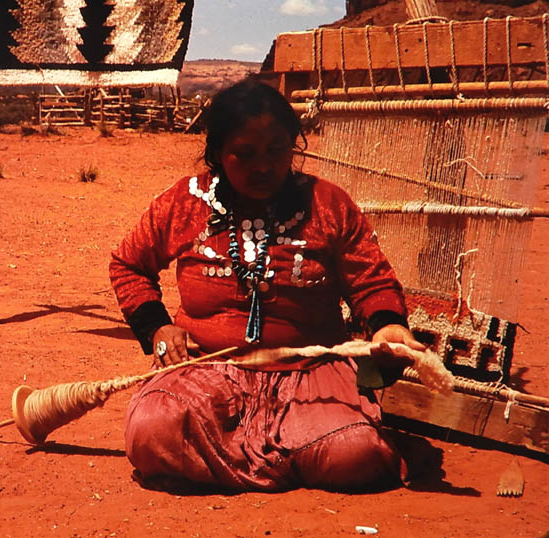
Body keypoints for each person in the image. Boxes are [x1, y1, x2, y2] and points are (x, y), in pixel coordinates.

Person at [109, 79, 426, 492]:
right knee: (153, 431)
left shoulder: (328, 205)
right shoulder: (185, 203)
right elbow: (128, 264)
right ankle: (290, 461)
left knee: (354, 453)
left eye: (277, 151)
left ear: (294, 147)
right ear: (218, 155)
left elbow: (371, 283)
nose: (263, 166)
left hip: (311, 372)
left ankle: (232, 460)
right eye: (245, 154)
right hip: (207, 370)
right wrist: (156, 328)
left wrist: (389, 327)